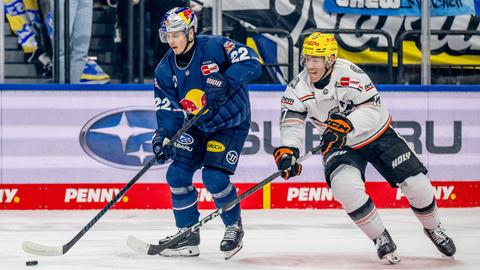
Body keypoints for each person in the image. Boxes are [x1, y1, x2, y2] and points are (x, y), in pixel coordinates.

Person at [273, 32, 456, 263]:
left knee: (417, 184)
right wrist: (289, 151)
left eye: (316, 59)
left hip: (377, 134)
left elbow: (372, 110)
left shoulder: (349, 72)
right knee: (344, 187)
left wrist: (347, 124)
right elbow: (292, 125)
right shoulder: (297, 88)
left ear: (330, 59)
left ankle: (433, 228)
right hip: (341, 144)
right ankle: (380, 236)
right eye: (306, 59)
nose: (310, 65)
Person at [151, 7, 262, 259]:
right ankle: (186, 235)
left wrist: (225, 79)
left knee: (214, 178)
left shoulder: (215, 46)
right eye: (167, 35)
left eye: (176, 35)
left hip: (230, 123)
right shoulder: (164, 70)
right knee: (177, 174)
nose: (171, 41)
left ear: (191, 32)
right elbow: (168, 110)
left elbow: (252, 62)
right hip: (198, 125)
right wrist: (164, 138)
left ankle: (233, 226)